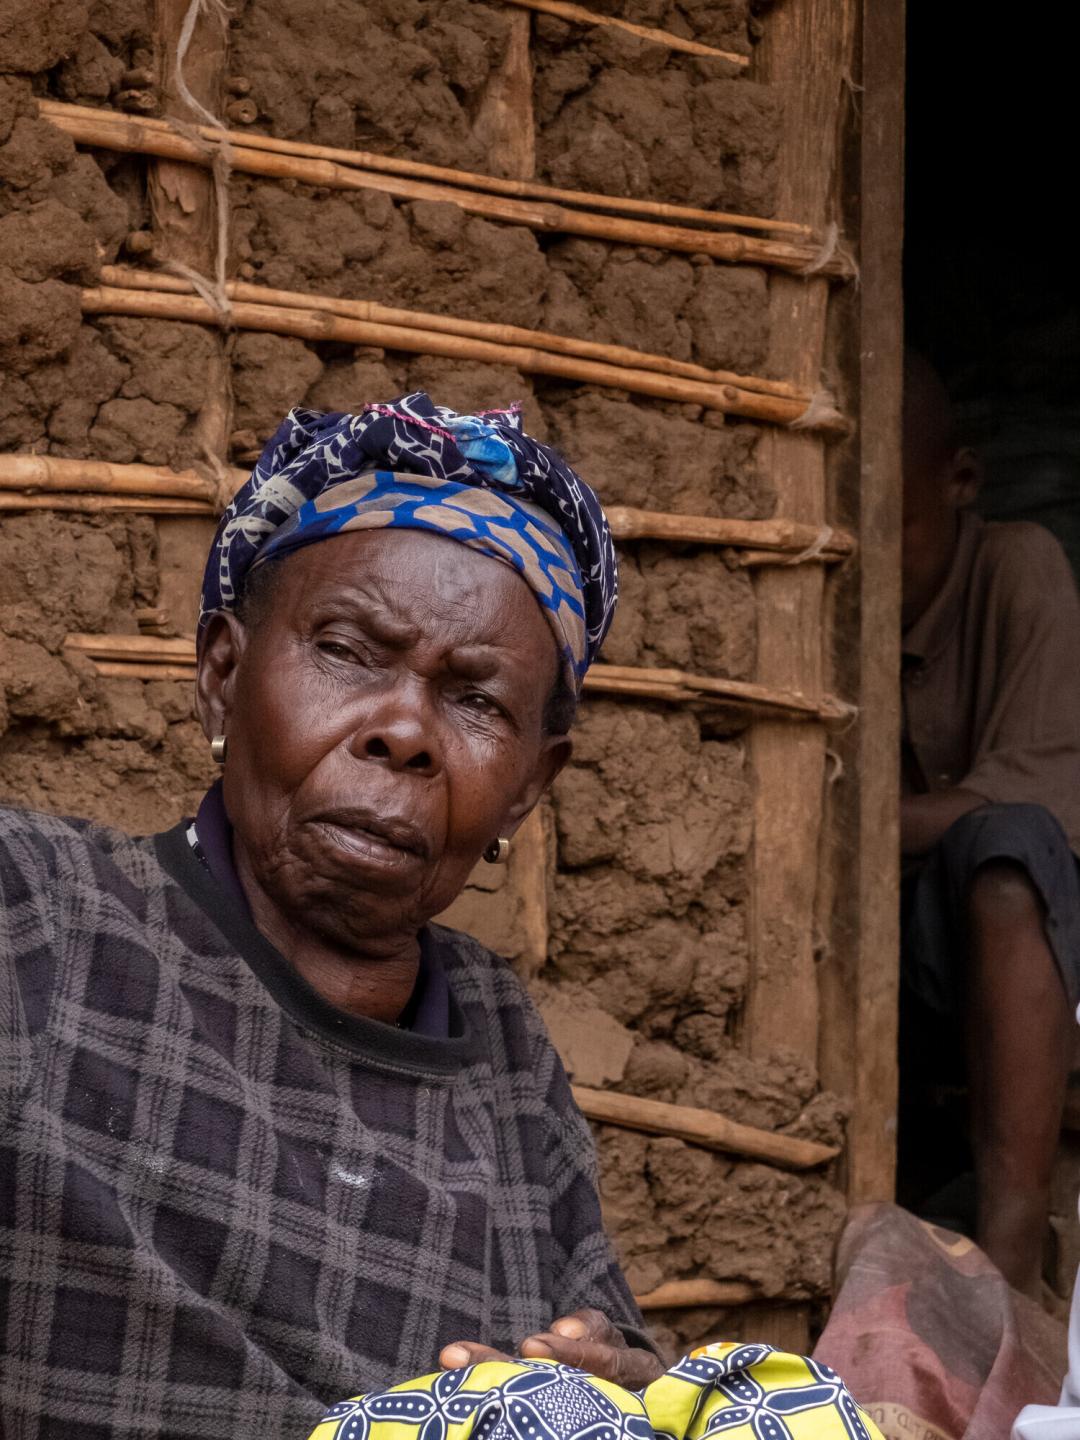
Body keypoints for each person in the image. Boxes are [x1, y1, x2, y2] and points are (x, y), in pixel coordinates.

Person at [0, 392, 880, 1440]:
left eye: (475, 701)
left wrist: (630, 1384)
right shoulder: (43, 918)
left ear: (529, 788)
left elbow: (597, 1360)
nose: (405, 732)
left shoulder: (501, 1055)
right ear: (223, 674)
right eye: (349, 650)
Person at [899, 354, 1080, 1295]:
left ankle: (1012, 1253)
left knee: (1008, 852)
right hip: (903, 966)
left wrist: (876, 823)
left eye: (899, 525)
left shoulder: (1018, 567)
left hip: (1014, 948)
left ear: (961, 481)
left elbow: (1044, 797)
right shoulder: (842, 615)